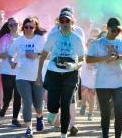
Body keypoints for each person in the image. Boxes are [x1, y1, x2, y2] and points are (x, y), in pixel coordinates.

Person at [36, 9, 85, 138]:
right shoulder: (53, 36)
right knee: (52, 105)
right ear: (59, 22)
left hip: (71, 74)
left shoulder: (77, 38)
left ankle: (64, 134)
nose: (64, 23)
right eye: (62, 21)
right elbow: (43, 56)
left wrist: (74, 65)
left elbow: (82, 60)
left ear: (72, 22)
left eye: (67, 20)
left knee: (66, 103)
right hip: (54, 73)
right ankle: (52, 112)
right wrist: (39, 75)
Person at [86, 17, 122, 138]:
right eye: (113, 30)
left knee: (118, 110)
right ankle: (105, 135)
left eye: (118, 30)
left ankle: (118, 136)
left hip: (119, 82)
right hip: (103, 83)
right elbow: (88, 59)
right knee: (105, 113)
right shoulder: (98, 43)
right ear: (107, 28)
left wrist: (118, 57)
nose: (116, 33)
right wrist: (104, 58)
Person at [8, 17, 46, 137]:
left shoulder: (41, 39)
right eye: (26, 27)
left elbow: (49, 54)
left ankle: (39, 116)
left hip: (38, 76)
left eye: (31, 27)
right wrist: (12, 63)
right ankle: (29, 129)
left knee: (38, 104)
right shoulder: (18, 41)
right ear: (22, 28)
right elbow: (10, 55)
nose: (29, 29)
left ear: (35, 28)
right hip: (21, 76)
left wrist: (37, 55)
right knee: (27, 102)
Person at [0, 17, 21, 127]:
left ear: (18, 25)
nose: (14, 27)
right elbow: (0, 55)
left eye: (15, 24)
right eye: (11, 25)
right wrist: (11, 53)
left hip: (20, 72)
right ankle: (5, 106)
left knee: (18, 96)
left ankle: (15, 118)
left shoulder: (24, 38)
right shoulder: (4, 39)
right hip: (7, 71)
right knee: (7, 96)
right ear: (8, 26)